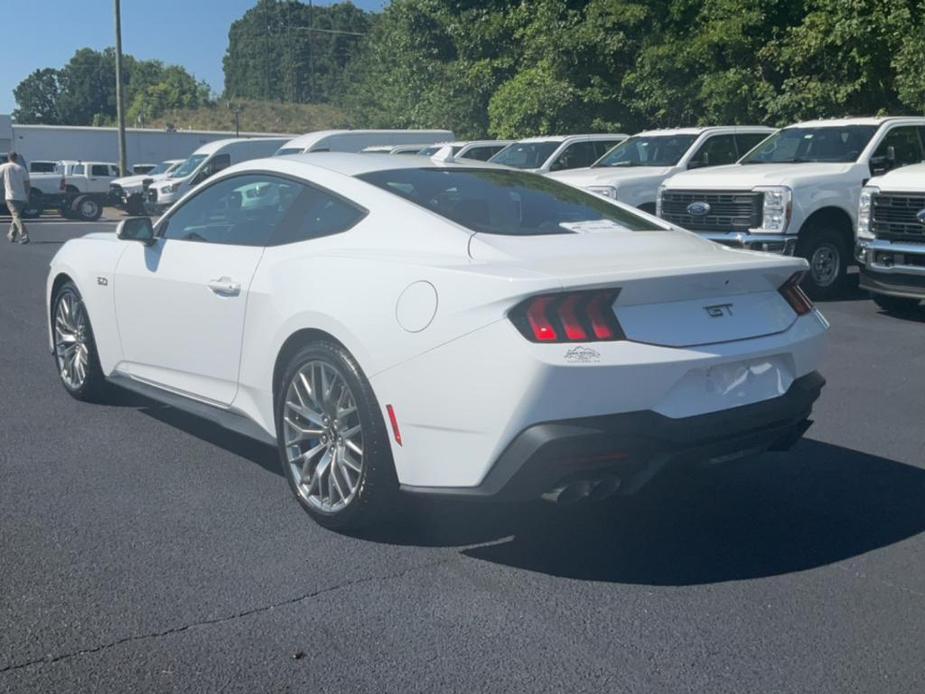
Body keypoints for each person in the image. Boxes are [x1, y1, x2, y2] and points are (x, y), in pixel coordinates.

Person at [1, 152, 31, 244]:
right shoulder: (21, 168)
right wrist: (27, 195)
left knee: (16, 216)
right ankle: (11, 235)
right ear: (16, 158)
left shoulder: (4, 167)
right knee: (16, 216)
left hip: (10, 196)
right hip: (21, 196)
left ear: (8, 158)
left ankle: (24, 235)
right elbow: (27, 184)